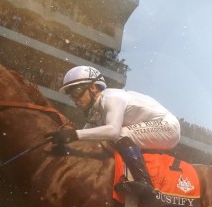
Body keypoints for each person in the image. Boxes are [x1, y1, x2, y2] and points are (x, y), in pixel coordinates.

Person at [46, 66, 181, 197]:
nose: (75, 100)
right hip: (155, 127)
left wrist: (74, 134)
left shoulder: (111, 98)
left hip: (168, 126)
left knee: (120, 134)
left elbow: (113, 131)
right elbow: (85, 137)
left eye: (77, 92)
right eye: (71, 96)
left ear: (93, 88)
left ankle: (144, 182)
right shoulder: (96, 111)